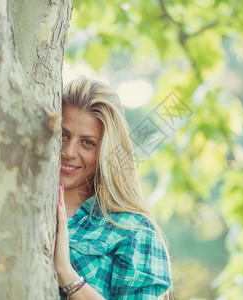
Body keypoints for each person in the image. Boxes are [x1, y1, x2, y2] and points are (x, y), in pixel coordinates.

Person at [53, 76, 172, 299]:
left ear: (105, 152)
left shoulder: (133, 231)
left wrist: (67, 275)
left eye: (87, 142)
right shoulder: (16, 200)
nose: (68, 151)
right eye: (63, 135)